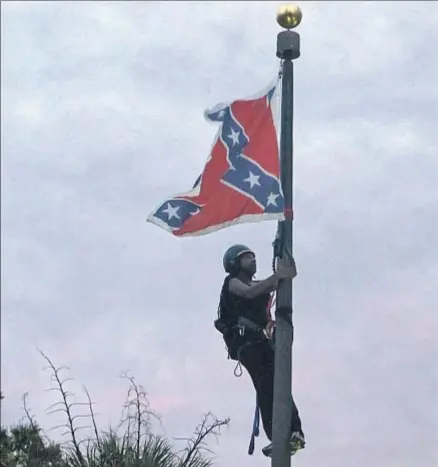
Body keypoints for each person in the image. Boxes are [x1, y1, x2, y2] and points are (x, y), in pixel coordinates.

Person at [215, 244, 305, 458]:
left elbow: (266, 286)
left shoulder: (254, 283)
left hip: (262, 343)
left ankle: (294, 431)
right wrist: (279, 276)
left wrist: (285, 276)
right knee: (266, 386)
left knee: (279, 385)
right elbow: (252, 291)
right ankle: (279, 434)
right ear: (235, 263)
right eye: (247, 258)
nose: (253, 260)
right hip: (249, 345)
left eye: (253, 257)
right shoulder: (232, 284)